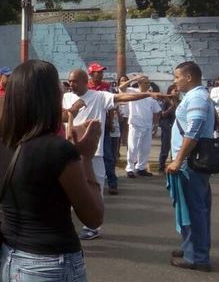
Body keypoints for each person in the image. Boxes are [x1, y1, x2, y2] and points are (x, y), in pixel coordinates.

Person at [0, 59, 103, 282]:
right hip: (50, 268)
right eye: (59, 88)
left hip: (10, 260)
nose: (63, 93)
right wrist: (86, 156)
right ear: (47, 97)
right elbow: (93, 215)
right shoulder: (57, 150)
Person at [63, 68, 166, 240]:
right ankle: (66, 224)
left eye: (74, 81)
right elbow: (63, 118)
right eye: (69, 81)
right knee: (68, 188)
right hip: (70, 152)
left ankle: (93, 226)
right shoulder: (67, 97)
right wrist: (72, 110)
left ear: (84, 81)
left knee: (95, 188)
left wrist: (147, 94)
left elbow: (123, 97)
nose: (71, 84)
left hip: (93, 153)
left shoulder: (99, 96)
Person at [165, 61, 215, 272]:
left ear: (188, 77)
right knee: (196, 208)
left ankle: (197, 257)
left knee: (193, 210)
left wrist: (178, 159)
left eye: (177, 77)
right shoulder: (195, 96)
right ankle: (192, 248)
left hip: (189, 164)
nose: (175, 81)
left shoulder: (196, 97)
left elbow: (193, 130)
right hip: (191, 162)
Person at [118, 76, 162, 177]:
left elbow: (157, 111)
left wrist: (155, 124)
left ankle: (141, 168)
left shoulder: (150, 95)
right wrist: (134, 79)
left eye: (148, 83)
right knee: (133, 147)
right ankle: (130, 168)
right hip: (135, 124)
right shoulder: (132, 91)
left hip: (147, 125)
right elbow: (121, 88)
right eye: (145, 83)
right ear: (139, 84)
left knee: (145, 148)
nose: (148, 85)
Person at [87, 63, 119, 195]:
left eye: (101, 72)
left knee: (108, 155)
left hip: (104, 126)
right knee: (88, 155)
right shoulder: (86, 87)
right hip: (88, 127)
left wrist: (111, 122)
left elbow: (111, 106)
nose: (100, 74)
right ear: (91, 74)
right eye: (97, 72)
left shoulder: (106, 86)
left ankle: (112, 183)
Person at [158, 85, 179, 171]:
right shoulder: (166, 102)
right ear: (170, 91)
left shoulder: (180, 102)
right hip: (167, 126)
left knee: (175, 147)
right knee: (165, 147)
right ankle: (161, 166)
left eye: (178, 91)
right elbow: (162, 114)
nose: (177, 92)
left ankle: (173, 164)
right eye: (175, 90)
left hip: (176, 127)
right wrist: (171, 108)